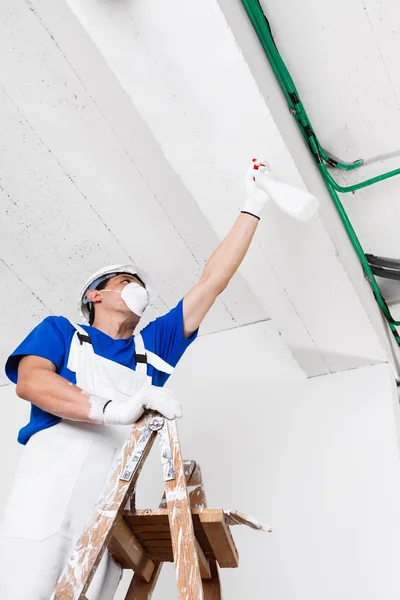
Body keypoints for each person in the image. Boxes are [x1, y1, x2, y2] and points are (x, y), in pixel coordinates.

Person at [0, 160, 272, 600]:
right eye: (126, 281)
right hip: (47, 492)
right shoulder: (63, 333)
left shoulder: (152, 351)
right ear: (96, 295)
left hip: (108, 504)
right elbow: (31, 384)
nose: (137, 289)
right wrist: (110, 410)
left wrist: (253, 206)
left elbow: (211, 283)